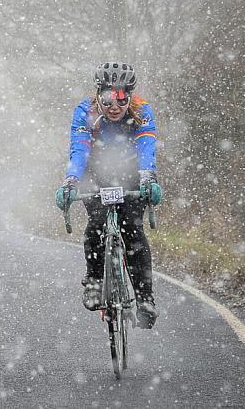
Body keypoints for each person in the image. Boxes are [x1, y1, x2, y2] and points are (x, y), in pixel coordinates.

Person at [55, 62, 162, 328]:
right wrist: (70, 181)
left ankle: (145, 298)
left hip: (129, 170)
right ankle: (94, 280)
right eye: (108, 98)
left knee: (133, 231)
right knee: (97, 224)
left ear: (130, 96)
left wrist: (148, 176)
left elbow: (147, 147)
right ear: (98, 94)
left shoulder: (142, 111)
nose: (115, 106)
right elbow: (79, 151)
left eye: (122, 98)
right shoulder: (85, 112)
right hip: (96, 171)